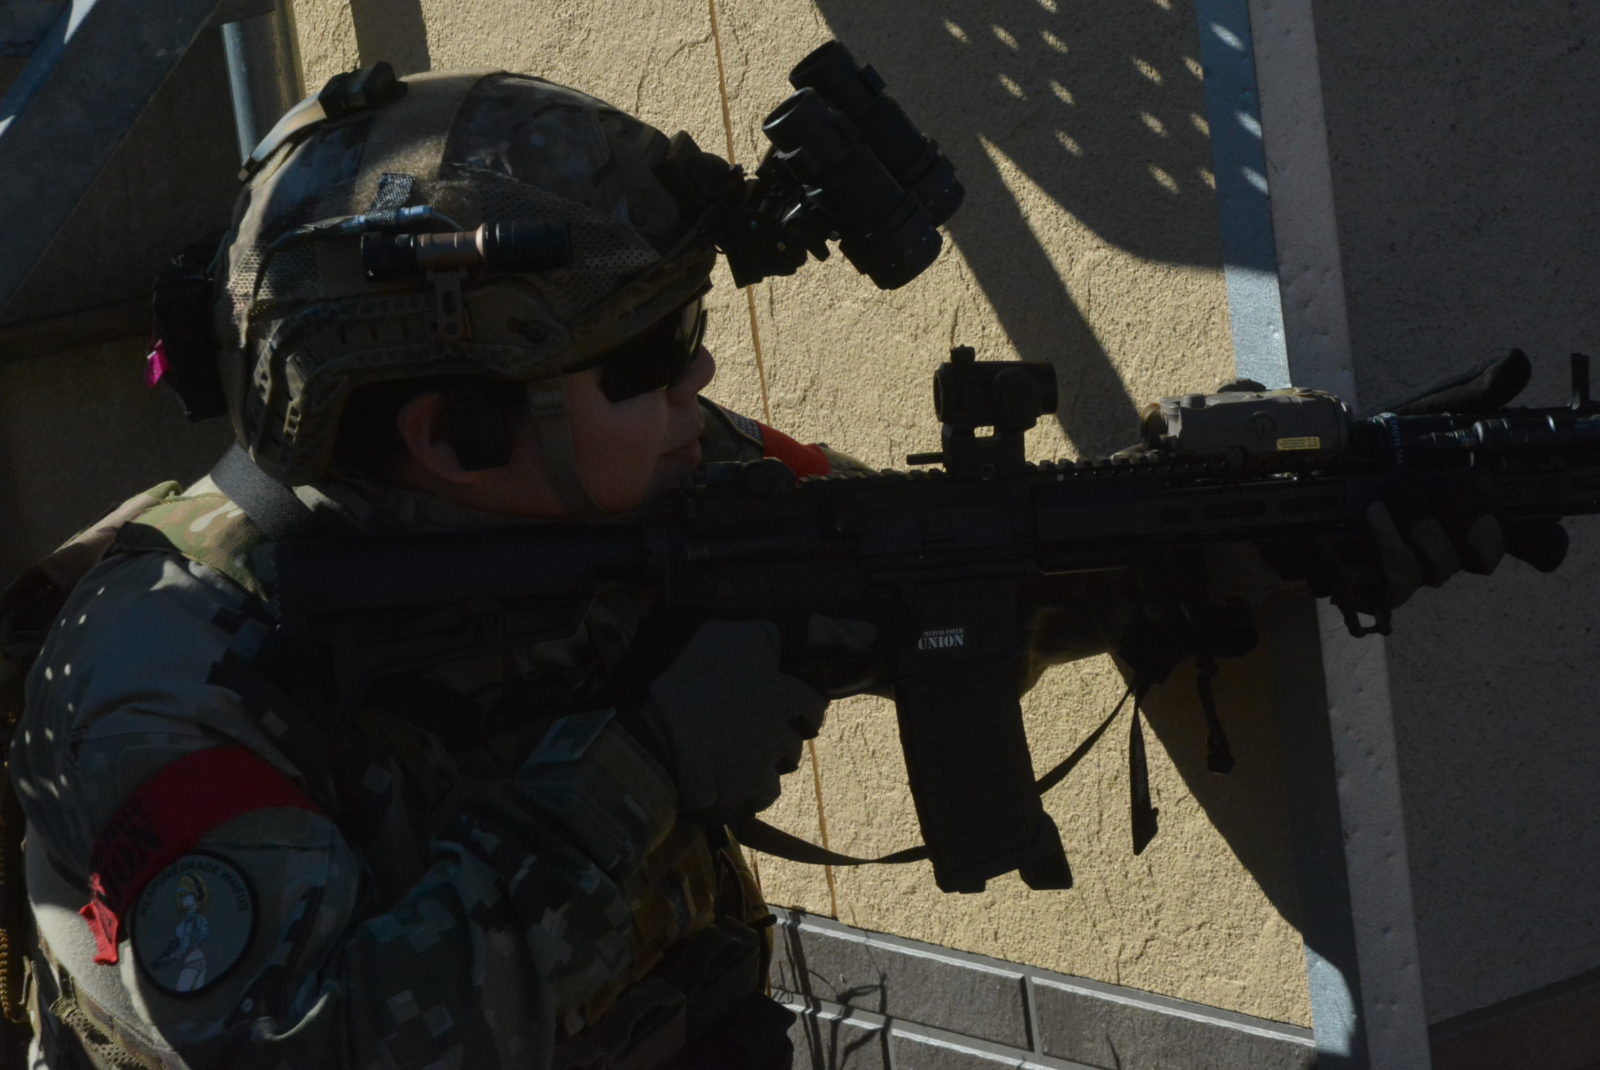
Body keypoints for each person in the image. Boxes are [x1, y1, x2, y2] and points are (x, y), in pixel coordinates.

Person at [5, 63, 1549, 1070]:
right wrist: (646, 763)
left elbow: (939, 573)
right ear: (447, 431)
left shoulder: (667, 479)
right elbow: (309, 1038)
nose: (701, 382)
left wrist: (1256, 526)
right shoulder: (164, 674)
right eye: (650, 359)